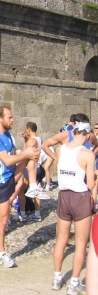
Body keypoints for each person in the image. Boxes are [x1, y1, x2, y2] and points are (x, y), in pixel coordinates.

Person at [0, 106, 40, 268]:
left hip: (11, 175)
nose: (12, 119)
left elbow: (16, 155)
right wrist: (26, 155)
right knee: (3, 220)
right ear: (0, 118)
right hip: (1, 181)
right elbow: (8, 161)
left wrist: (28, 152)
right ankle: (2, 254)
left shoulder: (8, 135)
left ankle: (33, 186)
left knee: (32, 149)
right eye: (9, 117)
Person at [51, 121, 95, 294]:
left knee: (61, 240)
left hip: (63, 195)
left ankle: (56, 277)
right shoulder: (87, 154)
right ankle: (74, 282)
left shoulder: (61, 150)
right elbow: (90, 183)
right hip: (80, 196)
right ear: (87, 135)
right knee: (80, 243)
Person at [12, 122, 49, 222]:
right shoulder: (38, 139)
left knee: (21, 191)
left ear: (28, 129)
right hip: (40, 167)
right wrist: (25, 139)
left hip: (31, 168)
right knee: (36, 190)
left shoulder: (32, 141)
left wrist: (18, 154)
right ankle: (37, 214)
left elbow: (27, 152)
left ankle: (23, 214)